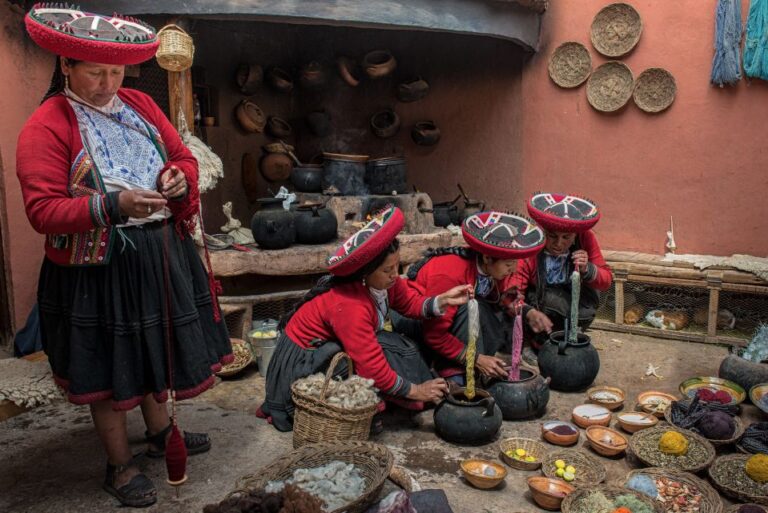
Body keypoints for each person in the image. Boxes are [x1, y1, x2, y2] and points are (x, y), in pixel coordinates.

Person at [16, 7, 232, 507]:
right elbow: (43, 210)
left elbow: (180, 157)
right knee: (111, 368)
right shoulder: (48, 125)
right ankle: (119, 464)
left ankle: (158, 435)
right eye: (95, 72)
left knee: (154, 346)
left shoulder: (138, 105)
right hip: (98, 268)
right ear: (66, 65)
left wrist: (178, 180)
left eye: (116, 72)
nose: (107, 84)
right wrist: (113, 205)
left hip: (159, 252)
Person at [258, 206, 473, 432]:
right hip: (303, 363)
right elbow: (371, 366)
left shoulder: (385, 284)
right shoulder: (350, 304)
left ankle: (394, 396)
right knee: (374, 352)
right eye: (387, 270)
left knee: (396, 343)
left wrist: (442, 300)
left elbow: (410, 304)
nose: (394, 275)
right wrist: (415, 390)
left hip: (327, 348)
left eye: (397, 267)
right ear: (365, 273)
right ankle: (364, 408)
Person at [406, 211, 546, 383]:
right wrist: (477, 359)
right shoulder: (450, 275)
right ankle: (452, 370)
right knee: (471, 306)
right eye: (509, 264)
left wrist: (529, 312)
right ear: (487, 257)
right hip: (419, 323)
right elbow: (434, 334)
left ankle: (472, 366)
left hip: (450, 322)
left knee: (490, 313)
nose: (514, 269)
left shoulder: (493, 269)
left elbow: (503, 297)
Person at [511, 192, 612, 364]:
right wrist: (529, 312)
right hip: (538, 303)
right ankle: (529, 343)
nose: (559, 244)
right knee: (546, 302)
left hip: (569, 302)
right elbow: (512, 294)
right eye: (552, 236)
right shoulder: (531, 243)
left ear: (575, 236)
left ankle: (563, 337)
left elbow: (606, 280)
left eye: (566, 237)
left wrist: (587, 269)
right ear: (543, 232)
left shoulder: (585, 237)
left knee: (587, 303)